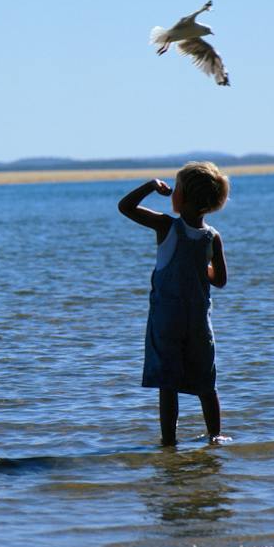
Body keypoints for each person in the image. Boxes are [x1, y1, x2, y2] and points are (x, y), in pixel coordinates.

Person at [118, 161, 230, 445]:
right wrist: (199, 267)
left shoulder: (167, 226)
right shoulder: (212, 237)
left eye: (176, 187)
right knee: (206, 383)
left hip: (167, 320)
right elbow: (220, 280)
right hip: (198, 321)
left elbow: (125, 207)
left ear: (183, 197)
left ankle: (169, 442)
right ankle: (215, 436)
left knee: (167, 384)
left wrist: (150, 185)